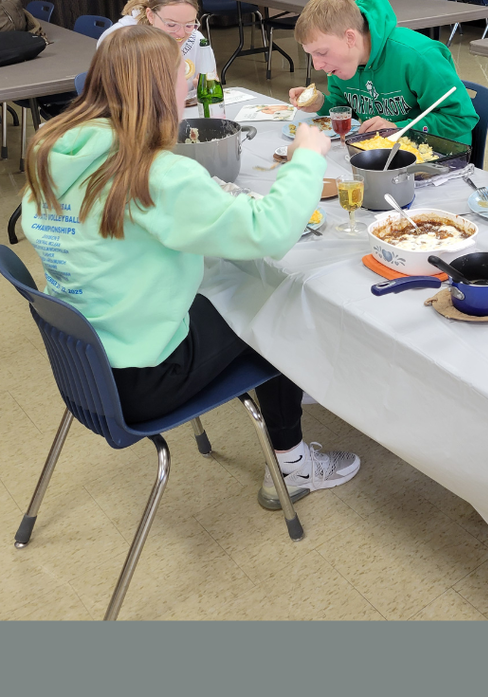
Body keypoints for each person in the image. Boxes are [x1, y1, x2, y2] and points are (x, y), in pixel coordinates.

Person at [22, 25, 360, 511]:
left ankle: (294, 398)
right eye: (182, 74)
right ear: (160, 89)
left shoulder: (51, 148)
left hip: (85, 361)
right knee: (276, 302)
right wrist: (306, 159)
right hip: (145, 377)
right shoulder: (152, 172)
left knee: (227, 286)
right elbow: (270, 231)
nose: (190, 83)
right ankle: (292, 462)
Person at [288, 0, 477, 146]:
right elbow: (346, 108)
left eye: (321, 53)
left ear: (350, 38)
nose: (317, 65)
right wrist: (322, 103)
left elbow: (462, 119)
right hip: (385, 151)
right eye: (311, 54)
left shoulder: (418, 57)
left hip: (438, 155)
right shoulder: (342, 65)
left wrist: (401, 128)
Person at [98, 0, 217, 99]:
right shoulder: (119, 40)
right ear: (150, 15)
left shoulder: (197, 40)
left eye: (189, 24)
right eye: (171, 25)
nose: (181, 33)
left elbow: (211, 91)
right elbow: (110, 101)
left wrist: (203, 92)